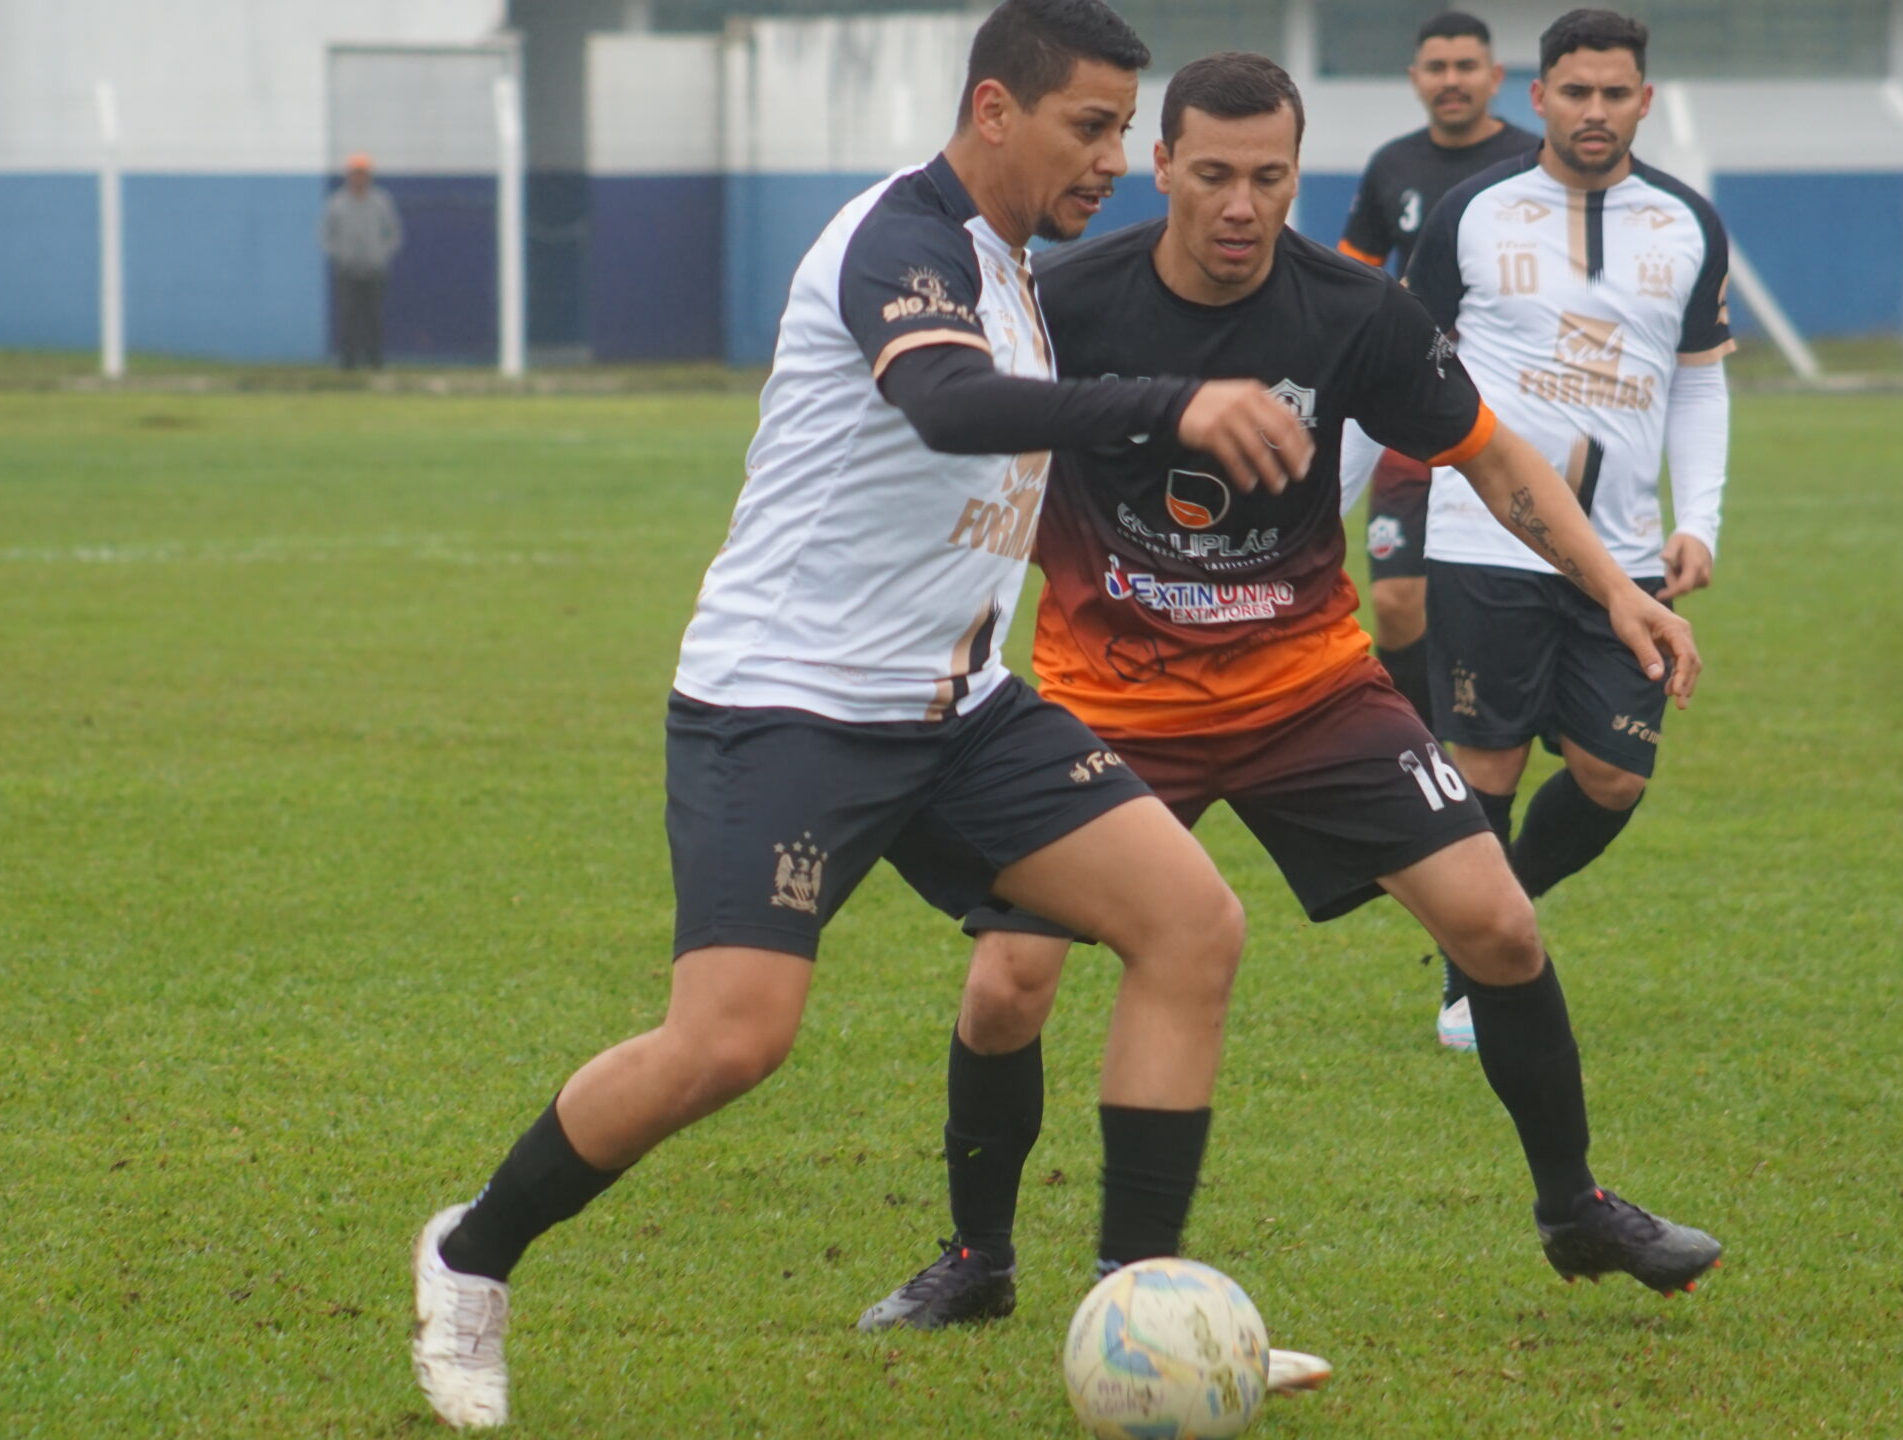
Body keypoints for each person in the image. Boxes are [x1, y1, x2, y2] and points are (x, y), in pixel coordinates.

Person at [407, 3, 1325, 1429]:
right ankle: (470, 1256)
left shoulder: (1015, 268)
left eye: (1120, 132)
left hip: (957, 706)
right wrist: (1177, 405)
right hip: (787, 706)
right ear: (994, 110)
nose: (1113, 160)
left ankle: (1150, 1313)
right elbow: (947, 404)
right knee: (731, 1041)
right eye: (1090, 128)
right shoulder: (900, 242)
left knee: (1191, 925)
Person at [853, 52, 1724, 1369]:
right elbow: (962, 435)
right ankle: (978, 1259)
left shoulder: (1352, 310)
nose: (1240, 205)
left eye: (1269, 178)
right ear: (1161, 168)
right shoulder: (1066, 300)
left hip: (1307, 689)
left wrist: (1617, 590)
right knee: (1006, 986)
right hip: (1107, 695)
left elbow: (1491, 457)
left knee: (1497, 924)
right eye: (1212, 175)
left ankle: (1575, 1208)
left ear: (1297, 176)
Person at [1391, 8, 1733, 1045]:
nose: (1595, 110)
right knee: (1487, 767)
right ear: (1537, 97)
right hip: (1481, 542)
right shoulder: (1472, 212)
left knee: (1613, 776)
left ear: (1644, 100)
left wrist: (1700, 518)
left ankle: (1495, 910)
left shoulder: (1687, 224)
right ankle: (1471, 980)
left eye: (1614, 93)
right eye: (1575, 92)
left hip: (1624, 557)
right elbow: (1399, 364)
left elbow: (1698, 383)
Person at [1338, 11, 1540, 731]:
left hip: (1512, 412)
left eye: (1465, 67)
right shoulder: (1392, 166)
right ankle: (1422, 749)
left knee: (1508, 604)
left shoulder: (1533, 164)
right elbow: (1355, 280)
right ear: (1416, 78)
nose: (1451, 80)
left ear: (1495, 76)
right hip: (1410, 409)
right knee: (1395, 602)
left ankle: (1499, 740)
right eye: (1437, 67)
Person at [322, 154, 402, 370]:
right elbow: (326, 235)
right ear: (349, 176)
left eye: (362, 173)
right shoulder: (337, 203)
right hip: (346, 271)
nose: (359, 178)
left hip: (374, 270)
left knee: (373, 317)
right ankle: (348, 362)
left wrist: (381, 255)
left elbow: (393, 233)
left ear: (369, 176)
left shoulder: (381, 202)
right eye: (355, 173)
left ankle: (375, 360)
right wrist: (340, 255)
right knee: (348, 316)